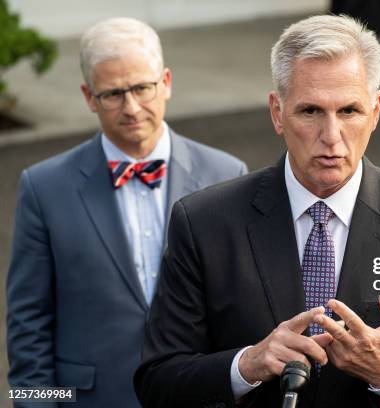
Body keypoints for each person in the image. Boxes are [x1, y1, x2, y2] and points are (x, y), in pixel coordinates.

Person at [135, 15, 380, 407]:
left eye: (349, 111)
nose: (331, 136)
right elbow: (158, 381)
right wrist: (247, 365)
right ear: (277, 112)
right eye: (310, 112)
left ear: (375, 111)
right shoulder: (202, 223)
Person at [6, 17, 247, 408]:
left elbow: (241, 312)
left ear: (166, 82)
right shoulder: (43, 187)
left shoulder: (226, 175)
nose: (131, 107)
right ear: (89, 97)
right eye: (113, 94)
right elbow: (27, 325)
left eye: (141, 88)